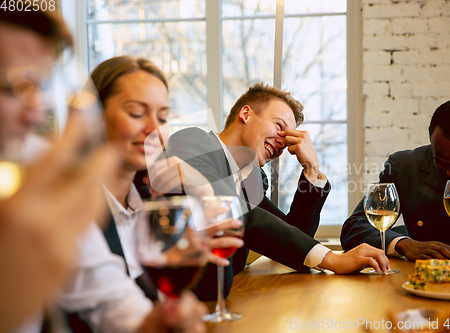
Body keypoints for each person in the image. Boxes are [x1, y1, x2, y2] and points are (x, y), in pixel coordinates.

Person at [59, 56, 246, 333]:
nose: (153, 129)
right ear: (94, 118)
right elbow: (110, 307)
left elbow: (211, 288)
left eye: (162, 117)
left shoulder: (150, 205)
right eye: (136, 113)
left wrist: (203, 189)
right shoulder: (69, 209)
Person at [167, 83, 390, 301]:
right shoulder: (191, 142)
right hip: (174, 301)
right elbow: (233, 211)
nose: (283, 143)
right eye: (279, 126)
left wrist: (311, 170)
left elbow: (293, 234)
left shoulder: (252, 178)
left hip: (226, 300)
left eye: (287, 138)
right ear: (246, 113)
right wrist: (331, 259)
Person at [0, 8, 120, 333]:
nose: (35, 117)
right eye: (12, 88)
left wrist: (150, 322)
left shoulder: (33, 164)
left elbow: (103, 287)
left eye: (38, 89)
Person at [341, 100, 450, 263]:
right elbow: (354, 228)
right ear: (431, 139)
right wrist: (403, 244)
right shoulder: (404, 168)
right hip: (422, 282)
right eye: (443, 163)